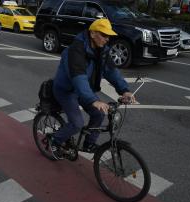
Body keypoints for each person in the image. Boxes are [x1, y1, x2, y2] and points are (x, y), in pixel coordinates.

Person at [49, 18, 135, 160]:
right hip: (67, 90)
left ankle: (89, 143)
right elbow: (78, 77)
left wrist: (124, 90)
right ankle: (55, 140)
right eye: (104, 35)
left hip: (84, 90)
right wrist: (93, 100)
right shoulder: (75, 50)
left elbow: (112, 71)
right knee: (77, 123)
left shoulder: (102, 50)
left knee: (99, 114)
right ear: (93, 33)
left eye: (109, 36)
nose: (107, 39)